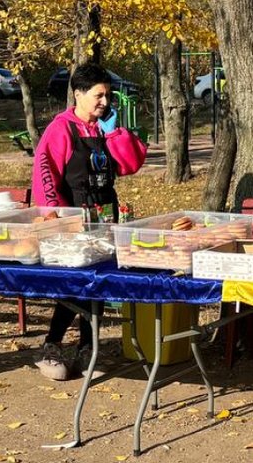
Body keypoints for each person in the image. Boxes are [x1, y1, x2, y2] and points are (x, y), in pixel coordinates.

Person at [30, 64, 147, 380]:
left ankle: (87, 349)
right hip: (73, 223)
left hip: (105, 218)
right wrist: (56, 217)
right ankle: (51, 346)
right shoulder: (61, 129)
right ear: (78, 94)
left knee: (96, 286)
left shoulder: (103, 128)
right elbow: (45, 173)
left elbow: (131, 164)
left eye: (107, 95)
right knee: (74, 287)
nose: (105, 102)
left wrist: (116, 133)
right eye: (99, 95)